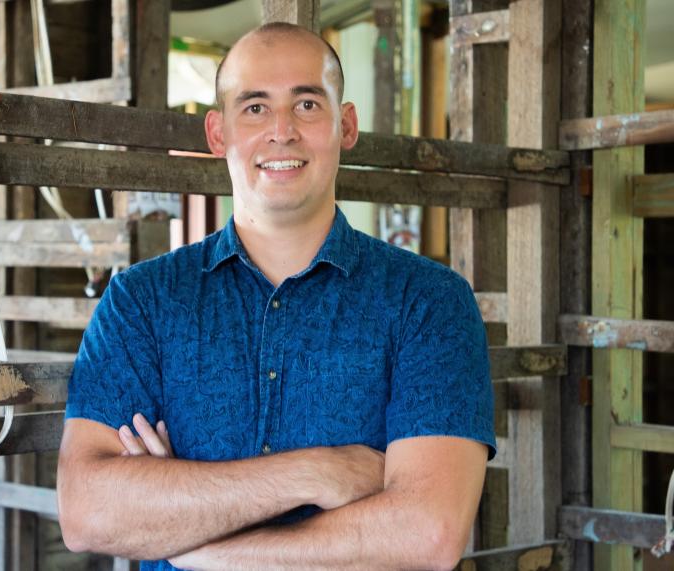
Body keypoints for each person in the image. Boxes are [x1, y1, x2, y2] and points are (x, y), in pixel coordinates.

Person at [57, 22, 495, 571]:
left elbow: (427, 533)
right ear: (218, 134)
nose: (282, 130)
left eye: (308, 104)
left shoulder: (429, 302)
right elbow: (87, 512)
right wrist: (319, 471)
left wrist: (194, 542)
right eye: (255, 108)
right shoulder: (141, 301)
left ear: (347, 124)